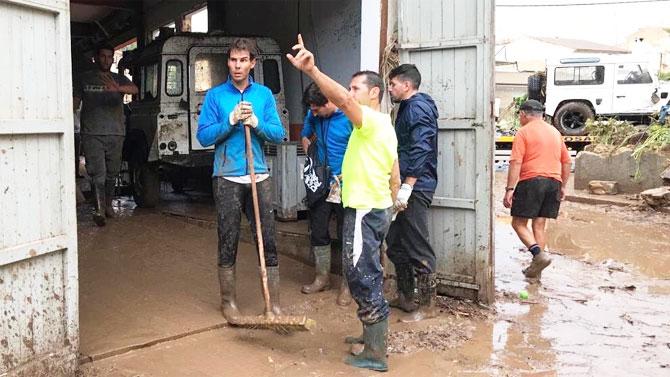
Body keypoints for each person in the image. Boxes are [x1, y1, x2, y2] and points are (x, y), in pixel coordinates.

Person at [287, 34, 400, 372]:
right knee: (365, 271)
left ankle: (376, 354)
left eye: (355, 88)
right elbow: (394, 170)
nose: (350, 94)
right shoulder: (381, 126)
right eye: (349, 88)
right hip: (371, 207)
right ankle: (370, 338)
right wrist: (392, 205)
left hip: (364, 209)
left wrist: (313, 70)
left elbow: (344, 103)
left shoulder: (369, 121)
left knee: (362, 275)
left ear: (374, 93)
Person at [196, 38, 286, 323]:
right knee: (228, 236)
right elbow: (204, 136)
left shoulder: (263, 95)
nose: (237, 65)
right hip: (227, 176)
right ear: (228, 62)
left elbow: (278, 133)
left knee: (267, 238)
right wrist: (231, 120)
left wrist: (256, 123)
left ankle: (273, 303)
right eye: (233, 60)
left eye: (243, 60)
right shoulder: (215, 96)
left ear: (252, 63)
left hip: (258, 175)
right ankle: (229, 301)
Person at [385, 64, 439, 322]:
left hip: (415, 186)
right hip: (402, 184)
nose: (390, 88)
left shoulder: (417, 108)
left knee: (417, 242)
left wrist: (408, 186)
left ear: (406, 85)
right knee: (396, 241)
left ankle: (428, 306)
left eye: (393, 84)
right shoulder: (406, 107)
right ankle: (406, 297)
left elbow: (421, 148)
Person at [503, 99, 571, 279]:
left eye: (519, 115)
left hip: (532, 180)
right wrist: (563, 186)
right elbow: (567, 162)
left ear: (523, 114)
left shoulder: (523, 132)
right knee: (539, 225)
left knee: (518, 223)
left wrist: (510, 189)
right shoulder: (556, 132)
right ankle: (537, 271)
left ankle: (537, 255)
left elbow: (516, 161)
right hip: (553, 182)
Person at [300, 83, 354, 306]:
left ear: (330, 102)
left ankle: (347, 285)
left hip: (347, 184)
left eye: (316, 109)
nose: (312, 113)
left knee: (347, 234)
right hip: (321, 185)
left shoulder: (351, 116)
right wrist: (313, 161)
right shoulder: (313, 115)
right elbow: (305, 136)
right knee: (319, 230)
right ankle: (322, 278)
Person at [73, 44, 138, 227]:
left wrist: (117, 88)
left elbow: (135, 89)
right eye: (102, 56)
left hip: (116, 133)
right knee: (98, 174)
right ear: (96, 58)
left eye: (109, 57)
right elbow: (75, 103)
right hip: (92, 133)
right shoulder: (84, 79)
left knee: (112, 173)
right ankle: (99, 210)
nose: (106, 60)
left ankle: (108, 205)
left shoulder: (118, 78)